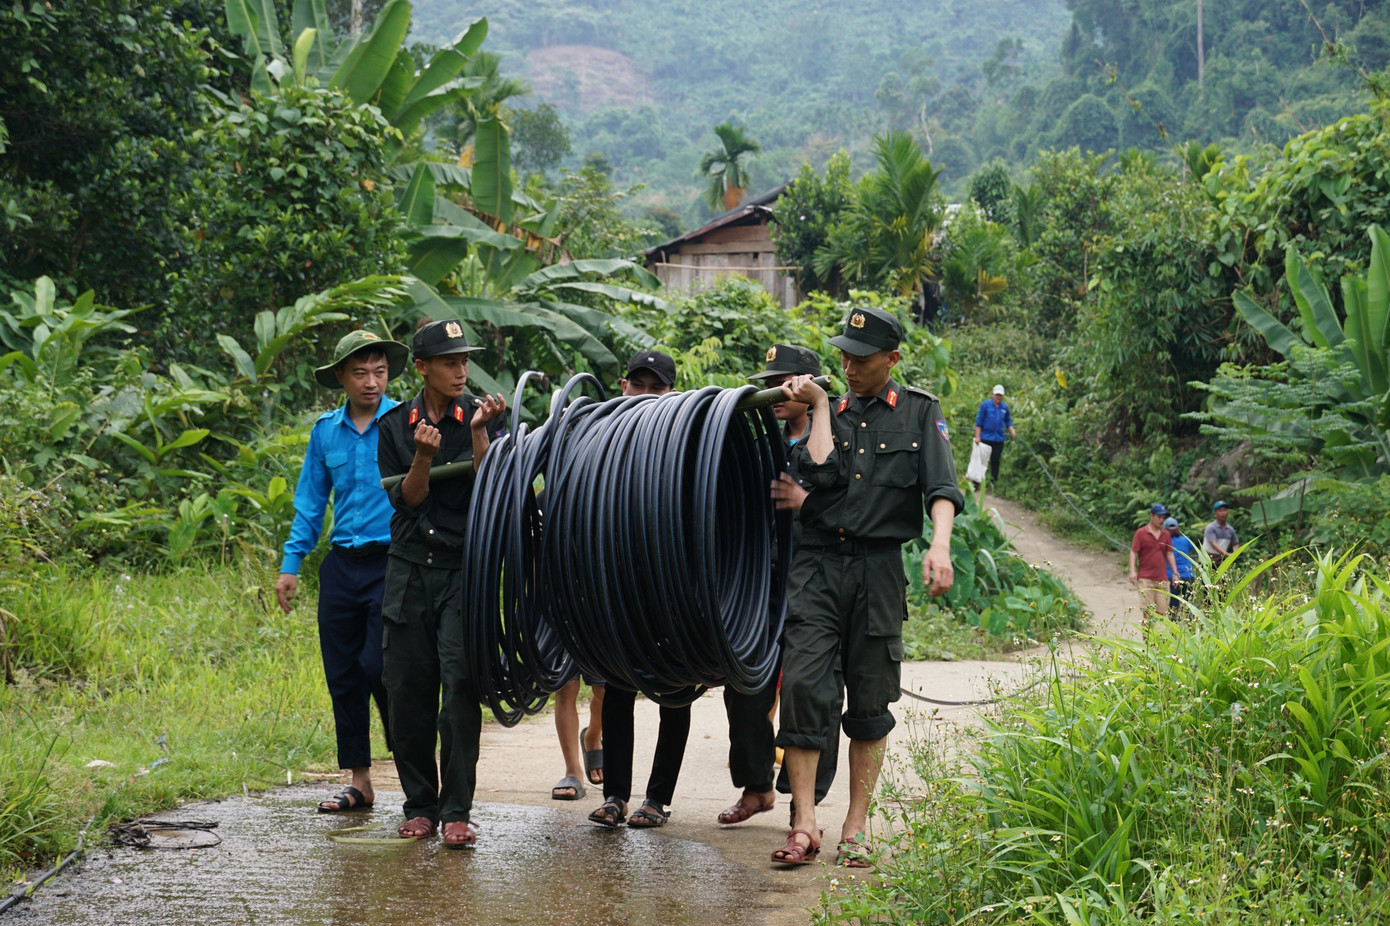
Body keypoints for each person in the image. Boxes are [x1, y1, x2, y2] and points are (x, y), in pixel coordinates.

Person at [771, 307, 964, 869]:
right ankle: (804, 823)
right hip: (817, 567)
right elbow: (816, 470)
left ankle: (856, 825)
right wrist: (817, 406)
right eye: (844, 357)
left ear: (892, 359)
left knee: (871, 700)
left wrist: (940, 546)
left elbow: (941, 488)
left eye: (861, 358)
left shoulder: (920, 412)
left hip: (878, 570)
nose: (849, 367)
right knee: (803, 688)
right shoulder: (827, 409)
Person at [376, 319, 507, 847]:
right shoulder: (394, 427)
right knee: (406, 691)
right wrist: (424, 457)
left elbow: (493, 487)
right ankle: (419, 806)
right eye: (450, 362)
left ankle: (456, 811)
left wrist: (478, 434)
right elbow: (408, 501)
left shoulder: (484, 414)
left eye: (465, 361)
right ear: (422, 368)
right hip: (408, 570)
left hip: (461, 572)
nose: (461, 371)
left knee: (459, 690)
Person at [275, 330, 409, 814]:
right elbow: (311, 503)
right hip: (340, 567)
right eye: (361, 373)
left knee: (381, 667)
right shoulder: (325, 431)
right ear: (341, 378)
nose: (372, 382)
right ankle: (360, 781)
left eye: (380, 372)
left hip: (392, 562)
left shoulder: (403, 422)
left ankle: (413, 771)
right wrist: (291, 565)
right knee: (344, 674)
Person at [718, 344, 839, 828]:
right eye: (769, 384)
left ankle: (802, 806)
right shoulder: (756, 442)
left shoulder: (835, 435)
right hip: (761, 583)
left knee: (810, 693)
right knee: (743, 685)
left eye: (784, 383)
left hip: (817, 581)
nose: (775, 393)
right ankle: (757, 787)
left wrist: (806, 500)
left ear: (810, 386)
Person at [587, 350, 693, 830]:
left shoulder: (688, 443)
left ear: (672, 392)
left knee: (675, 694)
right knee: (617, 689)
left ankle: (656, 800)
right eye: (638, 385)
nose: (645, 395)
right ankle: (615, 796)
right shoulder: (601, 441)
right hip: (620, 585)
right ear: (622, 386)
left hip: (674, 588)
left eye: (657, 387)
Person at [1129, 503, 1179, 619]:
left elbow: (1169, 554)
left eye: (1163, 518)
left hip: (1162, 579)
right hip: (1145, 578)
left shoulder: (1166, 534)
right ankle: (1147, 632)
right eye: (1159, 517)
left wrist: (1175, 573)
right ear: (1151, 516)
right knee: (1147, 612)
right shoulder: (1141, 533)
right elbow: (1133, 551)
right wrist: (1132, 571)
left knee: (1162, 612)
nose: (1161, 520)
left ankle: (1158, 632)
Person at [973, 384, 1016, 488]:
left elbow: (1008, 421)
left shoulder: (1004, 407)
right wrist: (977, 436)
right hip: (986, 438)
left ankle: (993, 483)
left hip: (998, 439)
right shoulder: (985, 405)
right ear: (993, 394)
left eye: (1000, 395)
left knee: (995, 461)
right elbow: (979, 421)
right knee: (982, 461)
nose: (998, 397)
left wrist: (1012, 431)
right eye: (997, 395)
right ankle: (976, 483)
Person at [1164, 516, 1198, 611]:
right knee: (1189, 604)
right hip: (1188, 575)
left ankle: (1174, 619)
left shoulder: (1165, 542)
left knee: (1173, 605)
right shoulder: (1185, 540)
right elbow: (1193, 548)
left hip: (1172, 576)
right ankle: (1190, 619)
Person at [1203, 500, 1239, 567]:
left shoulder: (1230, 529)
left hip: (1220, 561)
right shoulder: (1211, 527)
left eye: (1225, 510)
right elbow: (1214, 544)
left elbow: (1235, 543)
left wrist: (1235, 554)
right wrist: (1228, 555)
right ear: (1215, 514)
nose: (1223, 513)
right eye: (1220, 510)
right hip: (1207, 561)